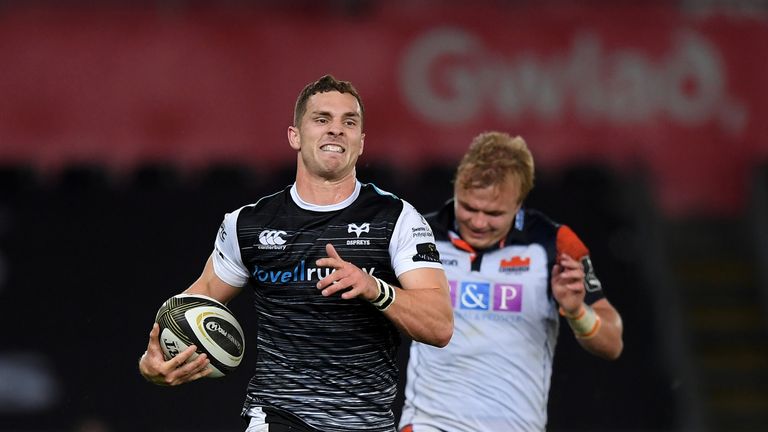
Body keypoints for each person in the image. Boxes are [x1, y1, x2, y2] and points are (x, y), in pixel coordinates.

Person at [138, 75, 454, 432]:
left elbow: (440, 325)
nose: (336, 130)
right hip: (278, 416)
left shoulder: (396, 219)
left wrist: (374, 288)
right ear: (295, 136)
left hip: (366, 421)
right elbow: (201, 297)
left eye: (348, 122)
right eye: (322, 119)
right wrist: (154, 362)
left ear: (361, 143)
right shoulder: (248, 224)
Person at [398, 131, 624, 432]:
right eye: (468, 207)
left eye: (493, 213)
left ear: (519, 204)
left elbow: (612, 343)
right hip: (429, 423)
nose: (478, 222)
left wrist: (577, 312)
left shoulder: (554, 245)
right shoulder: (417, 233)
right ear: (456, 189)